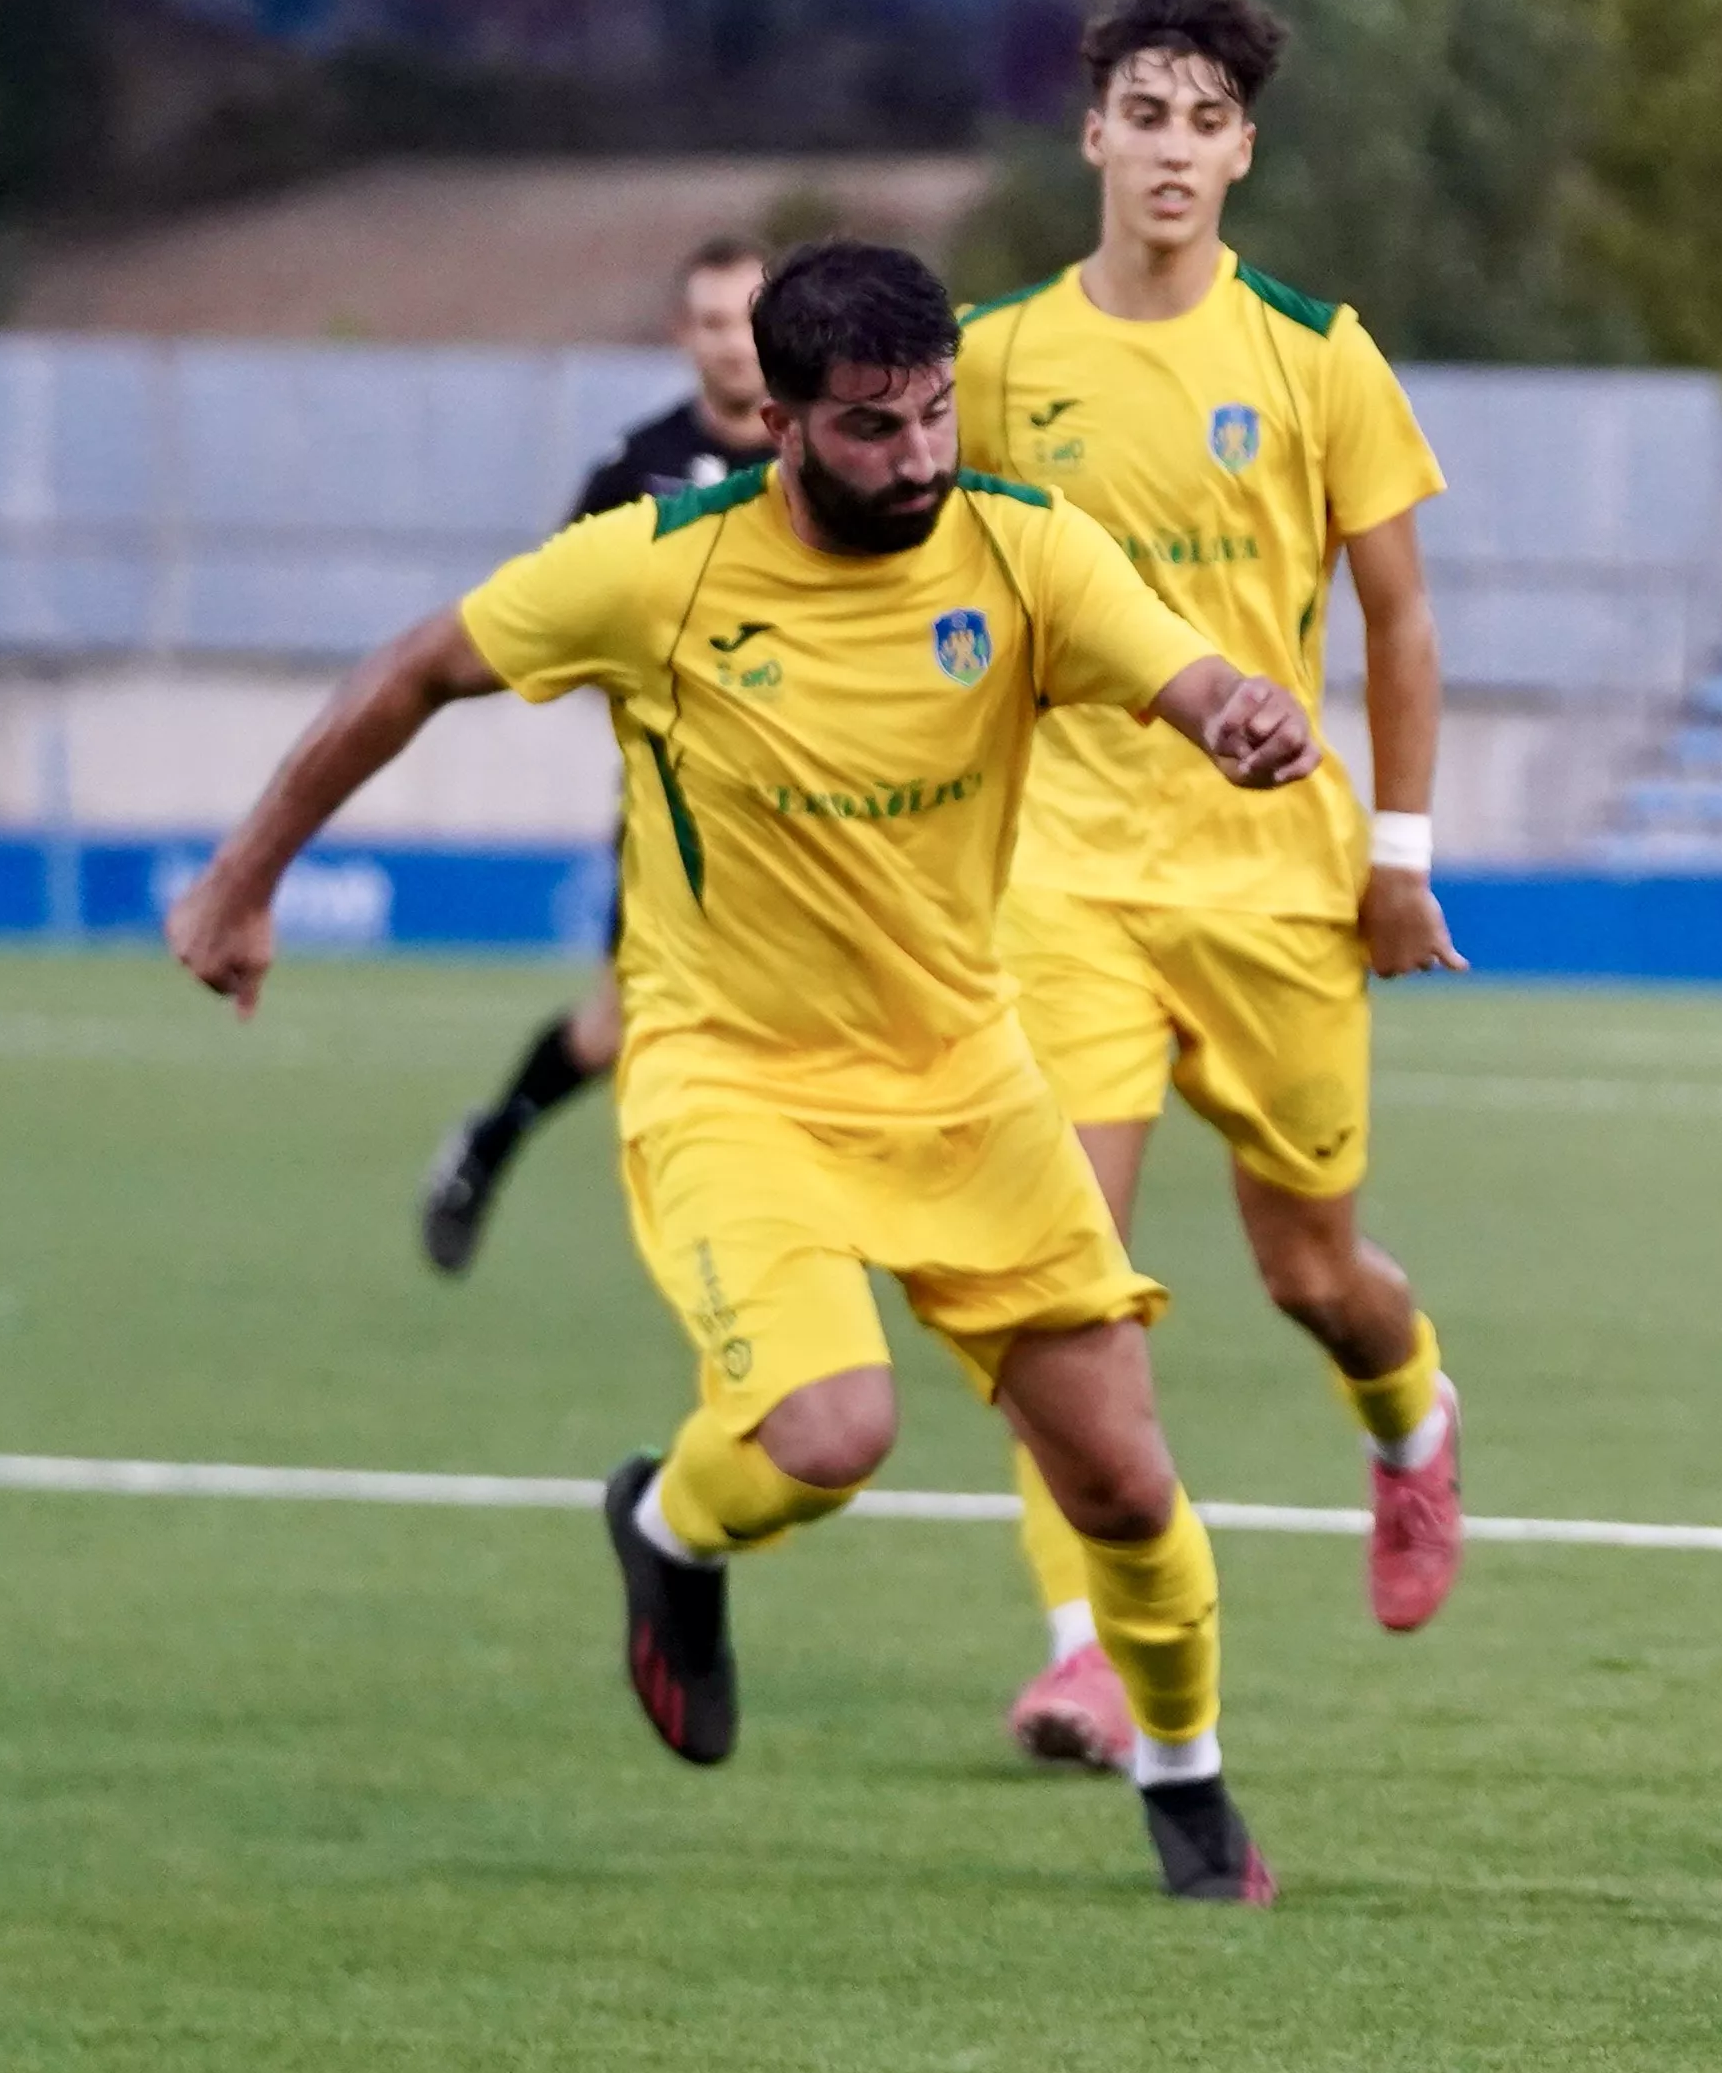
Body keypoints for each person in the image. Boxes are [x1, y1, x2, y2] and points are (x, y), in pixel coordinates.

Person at [167, 242, 1321, 1902]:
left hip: (966, 1081)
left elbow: (1185, 668)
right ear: (777, 418)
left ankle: (1188, 1783)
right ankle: (672, 1532)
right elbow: (420, 665)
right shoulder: (656, 571)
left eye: (933, 415)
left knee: (1125, 1476)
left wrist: (1236, 717)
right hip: (734, 1080)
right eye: (871, 427)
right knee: (832, 1429)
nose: (918, 456)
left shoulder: (1018, 544)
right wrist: (243, 878)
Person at [952, 0, 1465, 1781]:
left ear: (1243, 152)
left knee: (1311, 1268)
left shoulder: (1314, 352)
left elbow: (1397, 621)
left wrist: (1398, 854)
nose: (1171, 150)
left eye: (1205, 122)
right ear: (1091, 134)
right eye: (1142, 115)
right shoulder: (997, 361)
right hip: (1064, 878)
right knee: (1049, 1276)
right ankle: (1088, 1646)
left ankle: (1407, 1422)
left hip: (1274, 883)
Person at [421, 236, 776, 1273]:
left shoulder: (833, 456)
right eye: (713, 322)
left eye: (751, 317)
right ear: (683, 336)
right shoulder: (633, 473)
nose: (736, 344)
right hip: (681, 814)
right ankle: (495, 1138)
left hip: (832, 806)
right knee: (622, 1027)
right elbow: (559, 618)